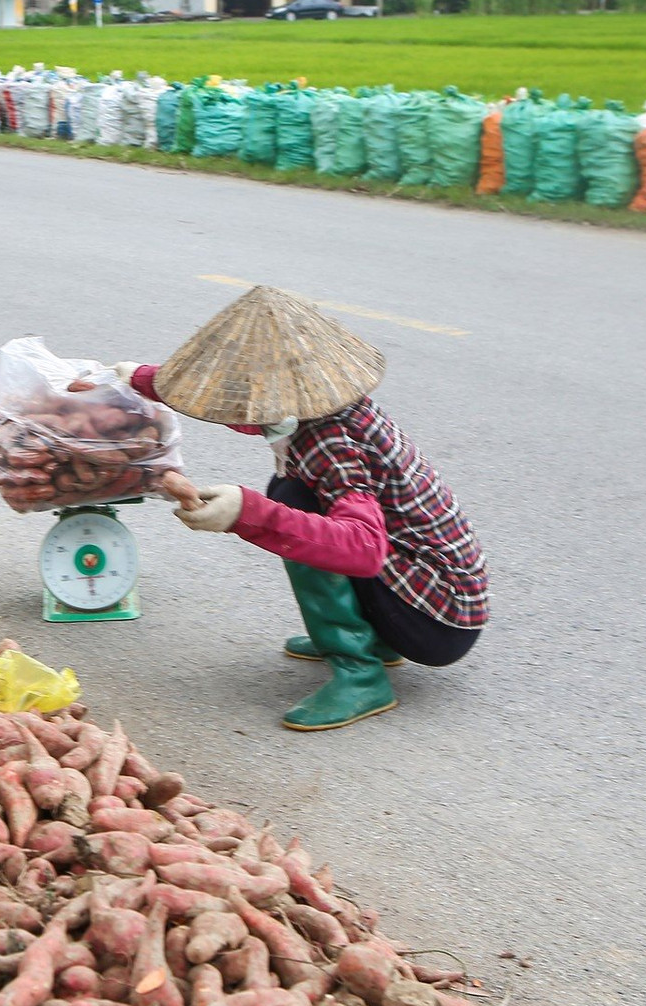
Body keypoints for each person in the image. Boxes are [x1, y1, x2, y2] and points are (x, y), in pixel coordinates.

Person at [107, 285, 488, 732]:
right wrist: (142, 380)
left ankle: (360, 672)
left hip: (438, 617)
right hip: (425, 588)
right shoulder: (320, 403)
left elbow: (363, 548)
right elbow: (242, 408)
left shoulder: (333, 442)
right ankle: (372, 638)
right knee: (292, 489)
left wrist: (246, 513)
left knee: (290, 502)